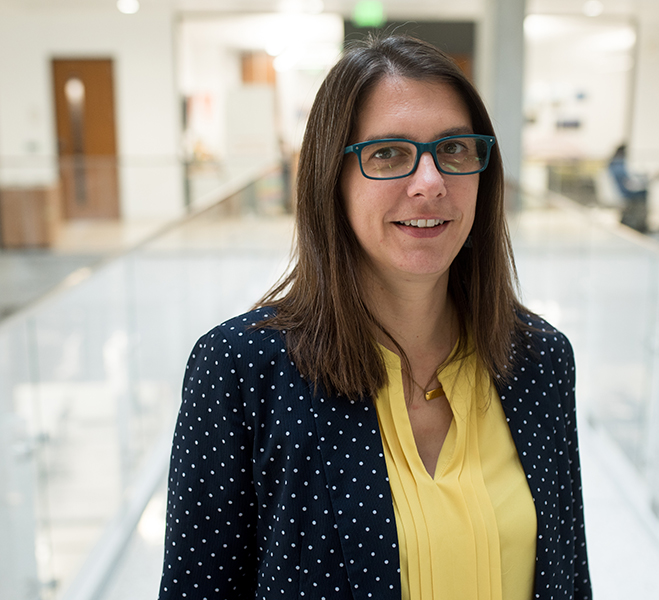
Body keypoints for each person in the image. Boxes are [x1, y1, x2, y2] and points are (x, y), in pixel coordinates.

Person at [158, 34, 592, 600]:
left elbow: (571, 577)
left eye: (455, 149)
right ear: (330, 180)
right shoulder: (244, 373)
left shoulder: (537, 359)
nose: (431, 182)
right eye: (388, 153)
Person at [608, 143, 649, 233]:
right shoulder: (618, 164)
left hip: (622, 190)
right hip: (625, 192)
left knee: (642, 191)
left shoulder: (613, 163)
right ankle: (641, 223)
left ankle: (639, 222)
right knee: (644, 193)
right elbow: (626, 180)